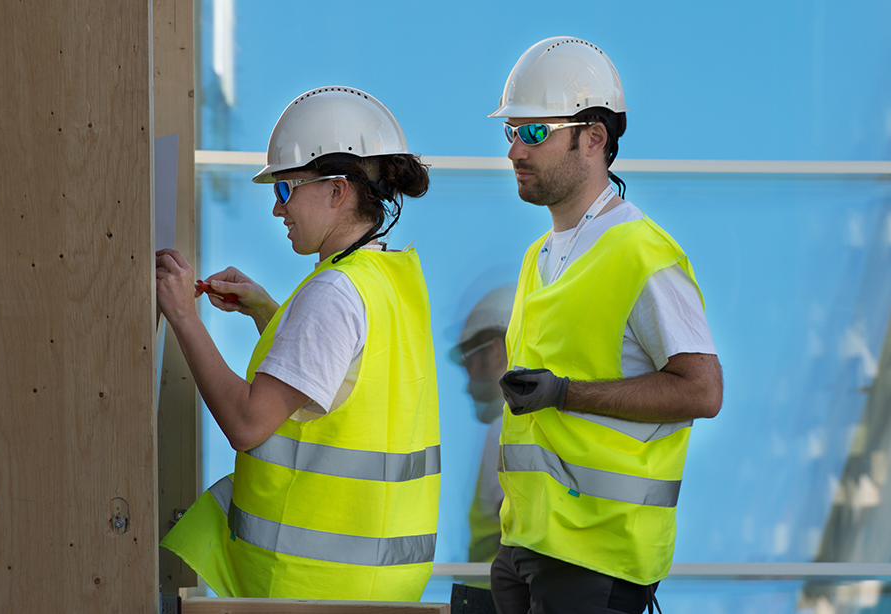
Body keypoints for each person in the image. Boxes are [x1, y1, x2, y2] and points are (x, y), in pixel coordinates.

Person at [156, 86, 440, 601]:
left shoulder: (333, 293)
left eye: (285, 189)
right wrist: (268, 312)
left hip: (307, 589)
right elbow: (343, 384)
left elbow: (247, 424)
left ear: (337, 191)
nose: (276, 209)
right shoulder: (390, 280)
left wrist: (182, 315)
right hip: (374, 591)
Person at [487, 37, 723, 614]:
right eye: (512, 132)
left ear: (594, 137)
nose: (516, 150)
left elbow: (702, 390)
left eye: (536, 131)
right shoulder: (538, 256)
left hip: (598, 557)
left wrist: (566, 393)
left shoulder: (642, 253)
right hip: (526, 546)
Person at [449, 285, 514, 563]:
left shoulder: (505, 428)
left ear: (494, 352)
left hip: (492, 599)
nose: (466, 386)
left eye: (469, 362)